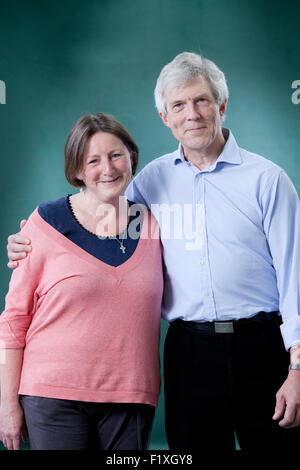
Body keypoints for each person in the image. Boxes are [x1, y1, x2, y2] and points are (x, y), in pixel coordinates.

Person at [6, 52, 300, 453]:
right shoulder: (151, 182)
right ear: (165, 118)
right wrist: (32, 235)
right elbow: (98, 211)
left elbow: (294, 275)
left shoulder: (268, 180)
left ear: (221, 106)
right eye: (178, 105)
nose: (192, 114)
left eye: (202, 100)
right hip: (190, 351)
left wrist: (297, 368)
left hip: (263, 346)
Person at [0, 112, 163, 451]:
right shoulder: (45, 222)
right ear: (76, 170)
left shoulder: (153, 224)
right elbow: (13, 322)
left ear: (131, 157)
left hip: (131, 397)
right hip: (52, 397)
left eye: (116, 155)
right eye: (93, 160)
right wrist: (6, 405)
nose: (109, 168)